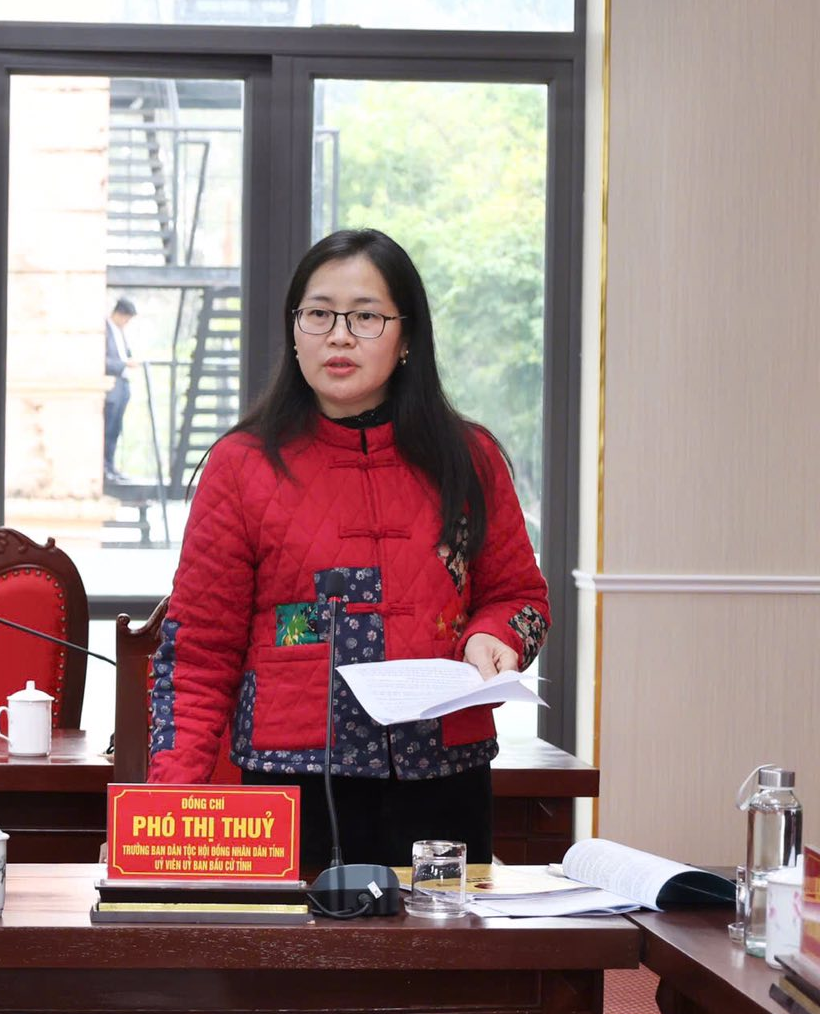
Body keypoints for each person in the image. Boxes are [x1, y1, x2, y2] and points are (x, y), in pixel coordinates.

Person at [147, 229, 549, 871]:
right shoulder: (240, 467)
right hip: (294, 786)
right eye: (319, 314)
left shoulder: (470, 458)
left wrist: (493, 635)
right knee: (299, 938)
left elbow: (520, 598)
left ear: (407, 335)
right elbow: (198, 655)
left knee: (443, 937)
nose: (339, 336)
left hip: (443, 779)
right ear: (294, 330)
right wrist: (172, 809)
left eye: (365, 317)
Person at [105, 296, 139, 486]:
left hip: (123, 385)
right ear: (120, 314)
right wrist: (123, 364)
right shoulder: (104, 330)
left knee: (116, 429)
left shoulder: (120, 332)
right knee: (108, 429)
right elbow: (101, 360)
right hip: (112, 385)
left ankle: (111, 466)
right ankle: (105, 468)